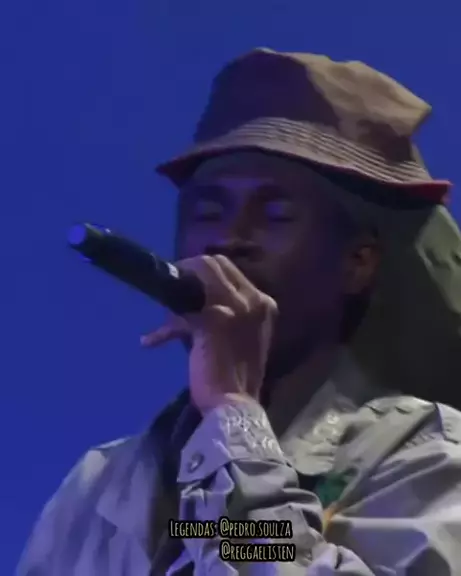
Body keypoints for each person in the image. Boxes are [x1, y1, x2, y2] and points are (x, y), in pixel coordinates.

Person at [17, 48, 461, 575]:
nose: (227, 239)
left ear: (357, 262)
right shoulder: (102, 480)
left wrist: (232, 411)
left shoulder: (428, 457)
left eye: (275, 214)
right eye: (208, 212)